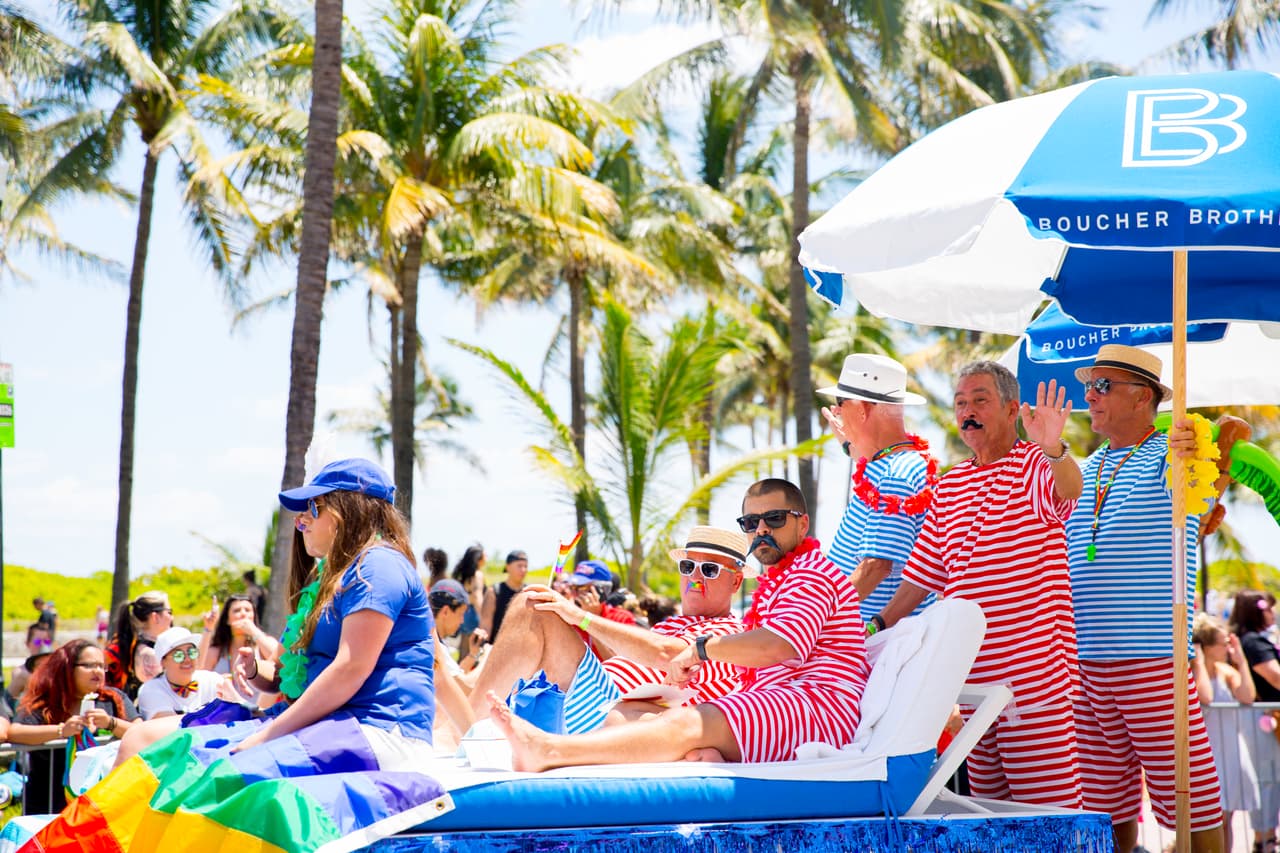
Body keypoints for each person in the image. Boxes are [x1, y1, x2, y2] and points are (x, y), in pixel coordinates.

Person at [27, 458, 444, 852]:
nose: (301, 523)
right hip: (337, 727)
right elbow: (308, 675)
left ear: (344, 510)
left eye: (311, 510)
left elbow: (351, 668)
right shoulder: (344, 573)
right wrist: (263, 675)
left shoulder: (380, 565)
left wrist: (268, 733)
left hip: (379, 733)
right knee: (180, 753)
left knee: (221, 776)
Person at [488, 479, 869, 770]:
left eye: (774, 519)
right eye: (751, 522)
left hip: (816, 706)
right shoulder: (781, 582)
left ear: (802, 525)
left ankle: (548, 752)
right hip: (786, 700)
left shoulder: (810, 573)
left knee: (688, 722)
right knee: (670, 721)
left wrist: (701, 647)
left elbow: (777, 646)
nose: (762, 530)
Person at [878, 361, 1084, 810]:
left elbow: (1069, 492)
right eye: (960, 403)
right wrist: (875, 625)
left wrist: (1053, 447)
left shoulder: (1035, 462)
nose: (967, 411)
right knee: (992, 814)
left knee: (1049, 813)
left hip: (1034, 680)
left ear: (1013, 409)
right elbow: (921, 575)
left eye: (980, 400)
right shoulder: (950, 482)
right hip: (969, 679)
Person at [1065, 345, 1223, 853]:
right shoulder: (1086, 467)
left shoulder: (1172, 454)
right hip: (1085, 660)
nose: (1089, 395)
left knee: (1190, 805)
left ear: (1143, 397)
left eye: (1102, 386)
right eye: (1089, 386)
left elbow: (1210, 471)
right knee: (1102, 811)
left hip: (1151, 655)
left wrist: (1194, 446)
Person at [470, 526, 748, 734]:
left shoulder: (731, 634)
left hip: (611, 710)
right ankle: (461, 723)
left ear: (736, 583)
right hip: (600, 701)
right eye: (688, 566)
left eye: (709, 569)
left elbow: (671, 655)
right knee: (478, 666)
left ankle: (465, 728)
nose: (694, 578)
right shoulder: (671, 624)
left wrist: (579, 616)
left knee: (531, 606)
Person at [819, 353, 936, 618]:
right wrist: (850, 444)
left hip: (866, 640)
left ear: (861, 409)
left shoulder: (896, 475)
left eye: (840, 403)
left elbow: (876, 567)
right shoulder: (896, 463)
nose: (836, 411)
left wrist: (817, 620)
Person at [6, 640, 138, 813]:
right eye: (89, 665)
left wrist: (111, 723)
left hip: (102, 804)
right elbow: (14, 732)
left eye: (101, 666)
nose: (97, 671)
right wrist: (61, 731)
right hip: (49, 804)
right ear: (67, 668)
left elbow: (140, 731)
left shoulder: (113, 699)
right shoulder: (46, 701)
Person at [1193, 612, 1258, 853]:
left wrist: (1240, 661)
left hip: (1229, 750)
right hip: (1207, 753)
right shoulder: (1194, 671)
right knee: (1211, 819)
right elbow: (1206, 696)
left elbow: (1247, 696)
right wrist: (1199, 662)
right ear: (1207, 647)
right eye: (1223, 643)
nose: (1227, 647)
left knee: (1226, 819)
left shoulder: (1225, 670)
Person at [1231, 590, 1280, 853]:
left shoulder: (1253, 640)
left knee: (1271, 777)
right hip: (1261, 719)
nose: (1272, 613)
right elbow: (1275, 677)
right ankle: (1264, 839)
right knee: (1267, 778)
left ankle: (1267, 836)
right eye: (1268, 608)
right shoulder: (1252, 642)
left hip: (1264, 718)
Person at [136, 627, 222, 720]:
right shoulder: (150, 690)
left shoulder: (212, 680)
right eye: (178, 655)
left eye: (191, 652)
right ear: (162, 662)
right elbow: (170, 728)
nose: (187, 659)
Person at [196, 593, 279, 684]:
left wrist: (254, 631)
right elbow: (197, 672)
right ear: (227, 620)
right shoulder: (218, 651)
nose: (243, 614)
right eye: (237, 610)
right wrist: (208, 628)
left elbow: (280, 663)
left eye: (247, 610)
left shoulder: (265, 642)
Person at [104, 591, 173, 699]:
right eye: (169, 612)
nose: (171, 618)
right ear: (155, 617)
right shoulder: (149, 654)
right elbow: (162, 695)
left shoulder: (136, 645)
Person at [481, 549, 528, 643]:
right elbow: (486, 625)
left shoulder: (529, 592)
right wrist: (483, 648)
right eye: (519, 566)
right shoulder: (494, 591)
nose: (523, 570)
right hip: (496, 647)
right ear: (508, 567)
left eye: (525, 566)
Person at [6, 623, 53, 709]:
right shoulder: (20, 673)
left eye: (46, 641)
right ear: (27, 643)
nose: (42, 645)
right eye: (38, 642)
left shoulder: (55, 671)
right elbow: (7, 705)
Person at [452, 544, 488, 641]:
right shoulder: (477, 575)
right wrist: (483, 617)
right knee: (475, 647)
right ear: (479, 559)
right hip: (473, 612)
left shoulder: (462, 575)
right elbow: (477, 596)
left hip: (463, 611)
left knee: (464, 645)